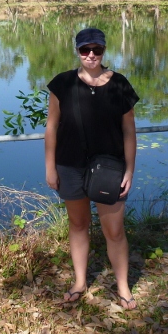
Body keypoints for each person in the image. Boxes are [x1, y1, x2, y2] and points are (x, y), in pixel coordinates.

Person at [45, 27, 139, 310]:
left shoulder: (120, 85)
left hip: (110, 168)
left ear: (104, 50)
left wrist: (129, 170)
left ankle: (123, 287)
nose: (91, 55)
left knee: (114, 231)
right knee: (78, 224)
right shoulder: (62, 84)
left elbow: (129, 131)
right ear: (77, 51)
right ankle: (79, 281)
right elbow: (51, 127)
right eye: (85, 50)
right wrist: (50, 167)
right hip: (70, 165)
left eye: (96, 50)